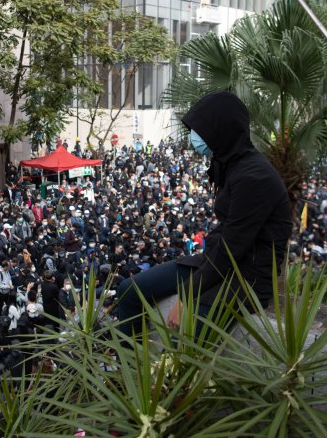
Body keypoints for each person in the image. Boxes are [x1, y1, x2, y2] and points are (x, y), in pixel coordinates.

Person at [117, 91, 292, 336]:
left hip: (244, 278)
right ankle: (131, 365)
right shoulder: (231, 164)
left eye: (201, 129)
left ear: (221, 129)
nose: (194, 137)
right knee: (129, 290)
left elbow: (231, 250)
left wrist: (186, 298)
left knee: (187, 345)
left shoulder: (254, 177)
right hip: (214, 262)